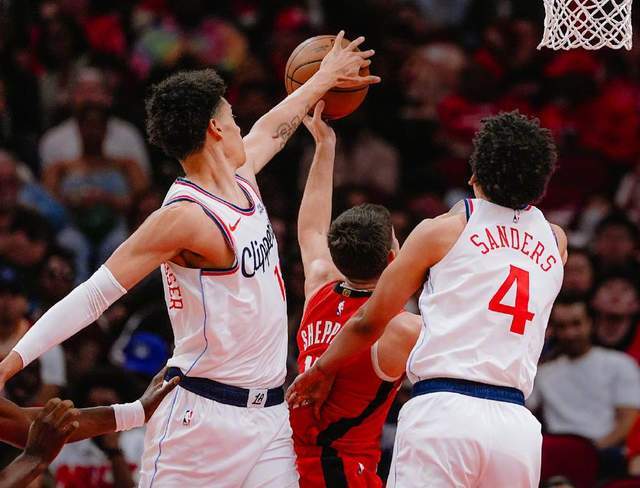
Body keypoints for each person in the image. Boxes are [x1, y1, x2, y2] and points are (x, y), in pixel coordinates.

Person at [0, 32, 378, 487]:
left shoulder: (240, 176)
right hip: (201, 422)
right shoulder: (184, 217)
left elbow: (274, 126)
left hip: (270, 416)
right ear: (216, 129)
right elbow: (93, 296)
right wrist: (9, 364)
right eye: (232, 117)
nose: (240, 125)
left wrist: (323, 81)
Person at [288, 111, 567, 487]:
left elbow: (368, 320)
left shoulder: (443, 230)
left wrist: (322, 370)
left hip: (444, 412)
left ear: (474, 176)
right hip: (515, 427)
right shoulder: (556, 241)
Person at [291, 103, 421, 487]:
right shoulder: (402, 329)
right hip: (343, 470)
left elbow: (311, 228)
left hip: (286, 460)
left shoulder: (319, 284)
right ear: (393, 258)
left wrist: (324, 146)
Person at [528, 296, 640, 476]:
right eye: (562, 326)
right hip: (556, 451)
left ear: (591, 323)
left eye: (576, 324)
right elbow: (525, 410)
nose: (570, 333)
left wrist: (589, 452)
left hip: (605, 453)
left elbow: (627, 421)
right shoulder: (542, 372)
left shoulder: (620, 364)